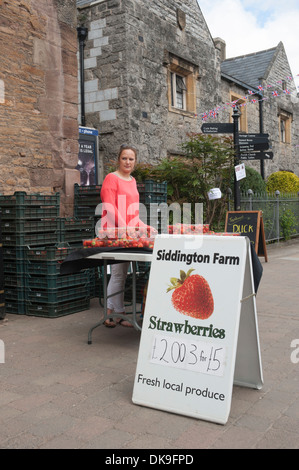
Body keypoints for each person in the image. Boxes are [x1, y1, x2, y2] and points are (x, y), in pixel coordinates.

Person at [100, 144, 156, 328]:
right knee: (118, 274)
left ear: (135, 162)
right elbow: (109, 207)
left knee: (121, 274)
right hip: (114, 232)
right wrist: (125, 227)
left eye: (131, 159)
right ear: (118, 159)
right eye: (124, 158)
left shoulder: (132, 181)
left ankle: (113, 314)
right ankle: (116, 314)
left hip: (128, 233)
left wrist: (145, 226)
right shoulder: (111, 178)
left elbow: (134, 213)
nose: (127, 162)